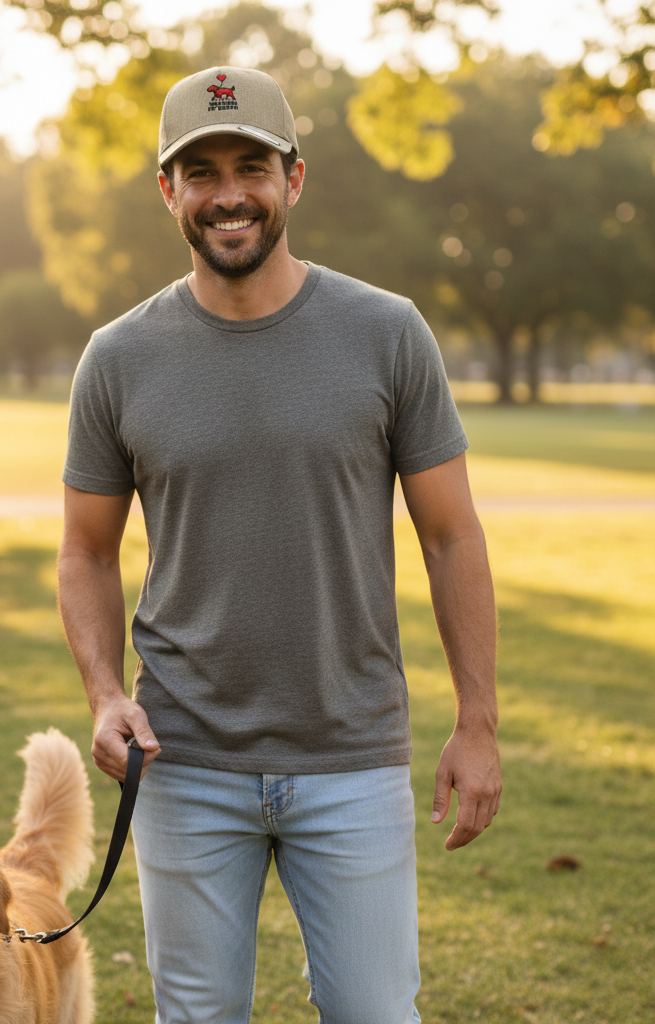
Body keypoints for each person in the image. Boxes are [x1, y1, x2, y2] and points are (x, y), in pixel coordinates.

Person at [56, 66, 502, 1024]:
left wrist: (479, 719)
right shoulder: (118, 357)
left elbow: (452, 534)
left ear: (293, 179)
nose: (228, 194)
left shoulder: (388, 334)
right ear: (167, 190)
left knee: (376, 1015)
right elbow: (86, 551)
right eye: (201, 170)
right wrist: (101, 693)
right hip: (182, 757)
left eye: (251, 166)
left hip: (353, 755)